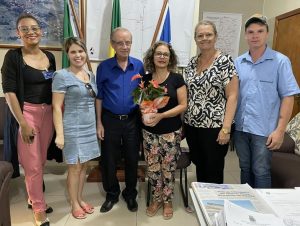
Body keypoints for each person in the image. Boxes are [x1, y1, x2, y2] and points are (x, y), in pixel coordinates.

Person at [1, 13, 56, 226]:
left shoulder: (49, 57)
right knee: (32, 165)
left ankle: (33, 198)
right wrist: (23, 123)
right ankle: (39, 210)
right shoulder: (13, 57)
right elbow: (10, 93)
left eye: (34, 28)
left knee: (40, 161)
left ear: (41, 30)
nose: (30, 32)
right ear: (18, 33)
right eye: (25, 29)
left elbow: (53, 85)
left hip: (48, 114)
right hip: (27, 114)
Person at [234, 14, 300, 188]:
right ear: (246, 35)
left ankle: (262, 210)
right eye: (251, 32)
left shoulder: (280, 61)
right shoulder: (238, 62)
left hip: (264, 131)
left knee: (261, 170)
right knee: (244, 167)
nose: (255, 35)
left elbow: (288, 97)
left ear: (267, 34)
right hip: (241, 128)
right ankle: (247, 203)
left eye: (260, 31)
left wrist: (280, 130)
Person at [183, 20, 239, 184]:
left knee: (213, 169)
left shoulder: (225, 61)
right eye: (200, 35)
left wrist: (226, 128)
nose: (204, 38)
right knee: (199, 165)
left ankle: (214, 207)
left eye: (209, 34)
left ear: (215, 37)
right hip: (192, 126)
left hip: (215, 128)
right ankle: (203, 202)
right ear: (195, 39)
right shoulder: (192, 62)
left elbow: (233, 96)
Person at [95, 27, 144, 213]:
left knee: (132, 158)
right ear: (112, 44)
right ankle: (112, 193)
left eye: (128, 42)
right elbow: (99, 96)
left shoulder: (139, 65)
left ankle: (130, 193)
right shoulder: (104, 67)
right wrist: (99, 122)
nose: (124, 46)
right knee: (109, 159)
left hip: (132, 120)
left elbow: (142, 93)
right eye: (120, 42)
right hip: (110, 120)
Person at [52, 37, 100, 219]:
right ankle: (73, 203)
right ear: (67, 54)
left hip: (89, 127)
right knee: (74, 168)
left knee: (84, 166)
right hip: (72, 127)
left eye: (81, 51)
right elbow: (56, 107)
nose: (78, 55)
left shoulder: (90, 74)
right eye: (73, 52)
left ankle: (80, 198)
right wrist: (60, 134)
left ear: (85, 53)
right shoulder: (61, 75)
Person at [141, 41, 187, 219]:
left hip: (170, 132)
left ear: (170, 58)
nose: (162, 57)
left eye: (165, 54)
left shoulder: (176, 79)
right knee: (153, 168)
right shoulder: (145, 79)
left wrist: (161, 115)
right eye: (158, 54)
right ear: (152, 57)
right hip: (149, 132)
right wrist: (145, 111)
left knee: (168, 168)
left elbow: (183, 105)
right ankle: (156, 199)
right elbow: (142, 103)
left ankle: (167, 200)